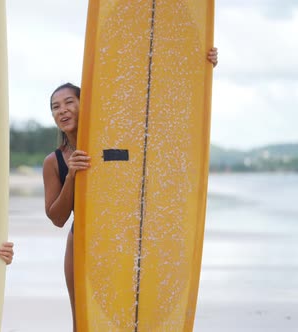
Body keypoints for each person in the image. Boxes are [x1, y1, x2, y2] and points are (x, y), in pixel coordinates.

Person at [42, 48, 219, 331]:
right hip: (82, 245)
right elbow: (57, 218)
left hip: (126, 241)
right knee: (84, 324)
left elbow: (160, 118)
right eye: (55, 106)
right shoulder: (54, 162)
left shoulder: (115, 143)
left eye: (68, 102)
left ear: (84, 103)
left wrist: (200, 70)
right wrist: (73, 176)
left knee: (128, 321)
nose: (62, 110)